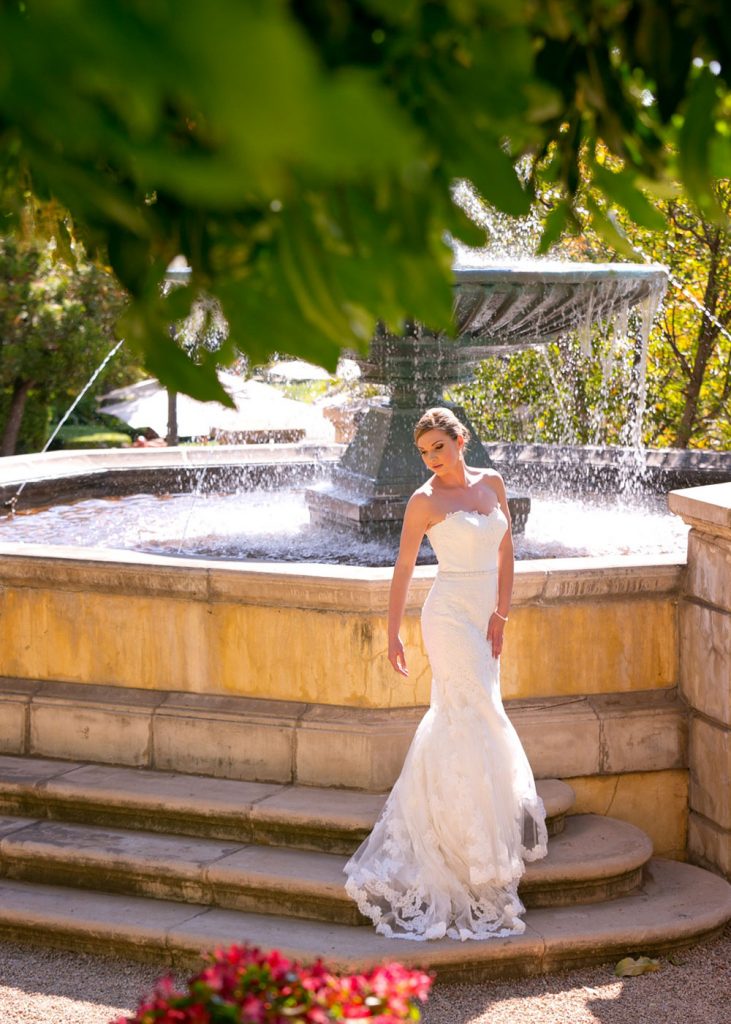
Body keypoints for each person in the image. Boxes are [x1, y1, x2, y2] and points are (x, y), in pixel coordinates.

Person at [344, 407, 547, 941]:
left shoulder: (493, 482)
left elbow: (506, 549)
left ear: (462, 440)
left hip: (484, 616)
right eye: (424, 451)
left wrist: (502, 614)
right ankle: (465, 848)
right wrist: (393, 633)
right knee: (472, 711)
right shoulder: (424, 501)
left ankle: (482, 833)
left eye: (439, 446)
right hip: (449, 615)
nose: (432, 458)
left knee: (479, 714)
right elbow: (404, 568)